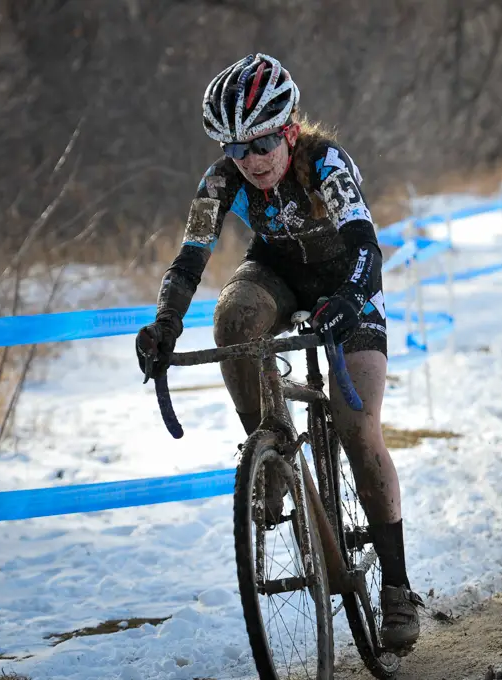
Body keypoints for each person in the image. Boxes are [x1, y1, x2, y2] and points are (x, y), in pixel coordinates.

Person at [133, 53, 422, 653]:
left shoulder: (327, 163)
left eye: (262, 143)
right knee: (234, 317)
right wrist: (164, 323)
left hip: (348, 282)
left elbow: (367, 246)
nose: (251, 161)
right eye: (236, 149)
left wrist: (347, 300)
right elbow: (191, 256)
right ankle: (271, 451)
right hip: (276, 273)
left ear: (289, 130)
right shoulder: (222, 181)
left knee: (358, 429)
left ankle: (396, 588)